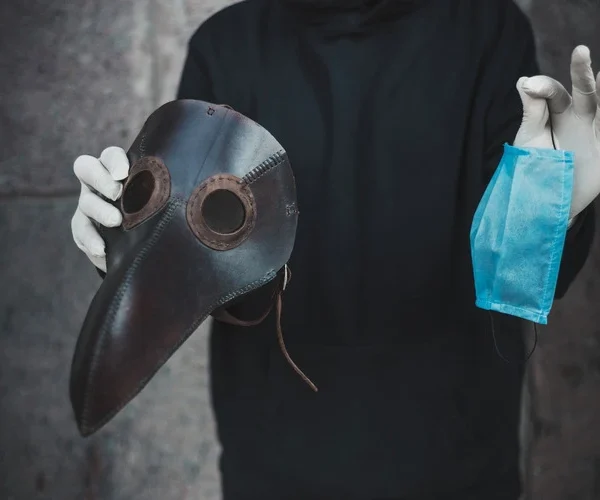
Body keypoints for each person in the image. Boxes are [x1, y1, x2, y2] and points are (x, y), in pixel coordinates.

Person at [70, 0, 600, 498]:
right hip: (275, 468)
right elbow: (202, 270)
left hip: (458, 467)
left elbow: (515, 276)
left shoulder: (488, 29)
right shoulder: (225, 45)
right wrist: (125, 248)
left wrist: (555, 207)